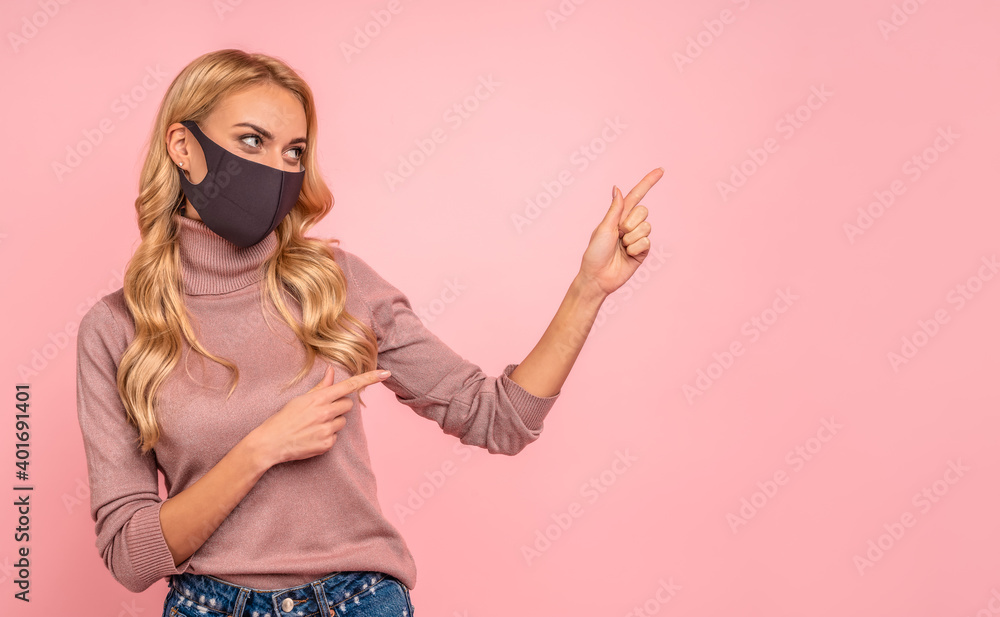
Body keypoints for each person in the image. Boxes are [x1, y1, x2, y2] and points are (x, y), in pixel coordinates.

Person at [75, 48, 661, 617]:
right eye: (252, 140)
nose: (277, 168)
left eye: (293, 151)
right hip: (209, 606)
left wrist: (589, 289)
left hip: (355, 604)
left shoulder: (336, 285)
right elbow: (130, 557)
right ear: (184, 146)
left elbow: (499, 419)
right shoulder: (117, 330)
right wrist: (260, 449)